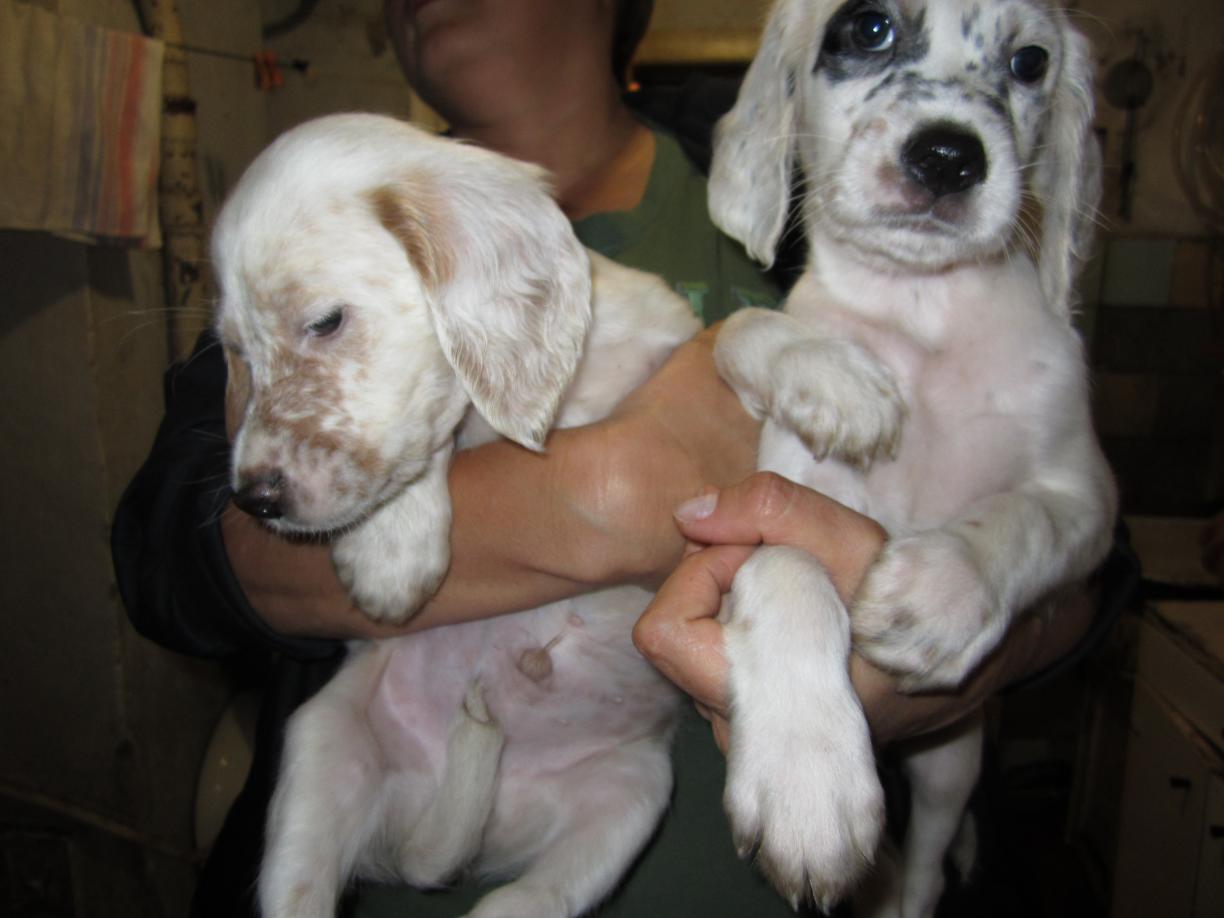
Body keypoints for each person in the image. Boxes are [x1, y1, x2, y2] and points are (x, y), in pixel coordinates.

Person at [111, 1, 1126, 915]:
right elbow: (167, 549)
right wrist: (604, 496)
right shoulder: (317, 211)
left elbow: (1089, 561)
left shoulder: (809, 168)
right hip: (388, 800)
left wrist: (973, 653)